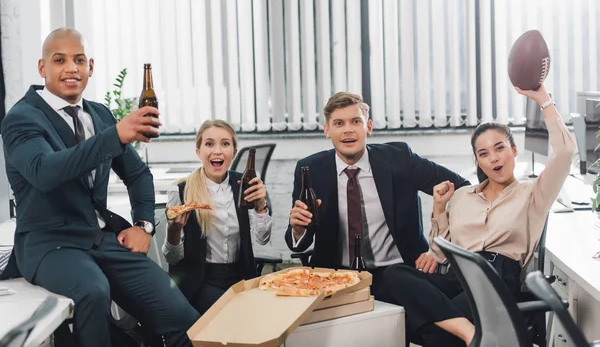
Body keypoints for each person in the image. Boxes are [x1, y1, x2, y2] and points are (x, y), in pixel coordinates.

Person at [0, 28, 199, 347]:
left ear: (90, 67)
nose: (71, 68)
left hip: (103, 239)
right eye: (59, 59)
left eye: (79, 60)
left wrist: (144, 226)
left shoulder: (101, 115)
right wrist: (115, 136)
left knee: (183, 320)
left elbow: (138, 176)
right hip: (50, 244)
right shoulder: (21, 119)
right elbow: (45, 172)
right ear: (42, 68)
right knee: (93, 290)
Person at [381, 84, 576, 346]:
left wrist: (542, 98)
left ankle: (461, 332)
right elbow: (440, 252)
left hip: (497, 280)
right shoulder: (462, 195)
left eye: (500, 148)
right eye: (484, 154)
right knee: (392, 276)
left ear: (514, 151)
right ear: (477, 162)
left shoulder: (533, 194)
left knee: (432, 331)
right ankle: (471, 334)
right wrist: (439, 209)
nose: (494, 159)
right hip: (458, 275)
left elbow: (564, 153)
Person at [284, 92, 470, 298]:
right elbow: (299, 240)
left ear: (368, 127)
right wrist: (298, 229)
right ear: (327, 130)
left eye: (356, 121)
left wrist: (438, 249)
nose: (348, 130)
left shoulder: (399, 158)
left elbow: (462, 189)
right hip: (335, 277)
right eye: (338, 123)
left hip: (398, 273)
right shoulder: (310, 169)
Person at [162, 120, 272, 315]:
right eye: (209, 144)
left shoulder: (245, 185)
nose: (218, 151)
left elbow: (262, 239)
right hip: (199, 281)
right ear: (198, 152)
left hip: (242, 277)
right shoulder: (180, 191)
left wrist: (261, 206)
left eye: (225, 144)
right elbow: (172, 257)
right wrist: (174, 230)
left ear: (234, 152)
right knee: (232, 313)